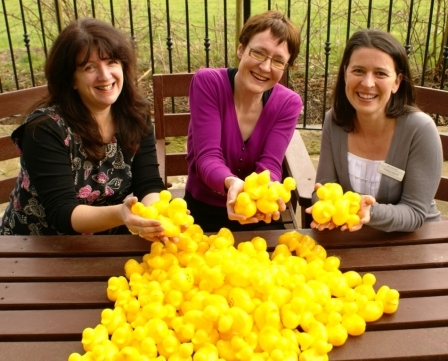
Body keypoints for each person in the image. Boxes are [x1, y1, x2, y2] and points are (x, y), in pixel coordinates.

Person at [0, 18, 169, 240]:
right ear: (71, 79)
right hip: (39, 246)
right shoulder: (44, 129)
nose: (105, 75)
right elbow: (62, 212)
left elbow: (148, 184)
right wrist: (122, 213)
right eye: (89, 67)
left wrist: (157, 217)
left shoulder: (135, 116)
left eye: (111, 62)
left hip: (108, 240)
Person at [307, 29, 443, 232]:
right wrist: (324, 204)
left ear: (396, 82)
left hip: (417, 241)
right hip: (355, 239)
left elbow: (415, 212)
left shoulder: (420, 130)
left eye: (380, 73)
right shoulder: (334, 120)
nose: (367, 83)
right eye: (358, 71)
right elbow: (325, 188)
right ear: (345, 73)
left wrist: (369, 213)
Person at [184, 10, 303, 233]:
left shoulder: (288, 103)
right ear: (241, 49)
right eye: (259, 53)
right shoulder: (208, 83)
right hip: (204, 212)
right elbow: (207, 157)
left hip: (258, 212)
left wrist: (266, 189)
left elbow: (270, 164)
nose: (266, 67)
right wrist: (231, 183)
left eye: (278, 61)